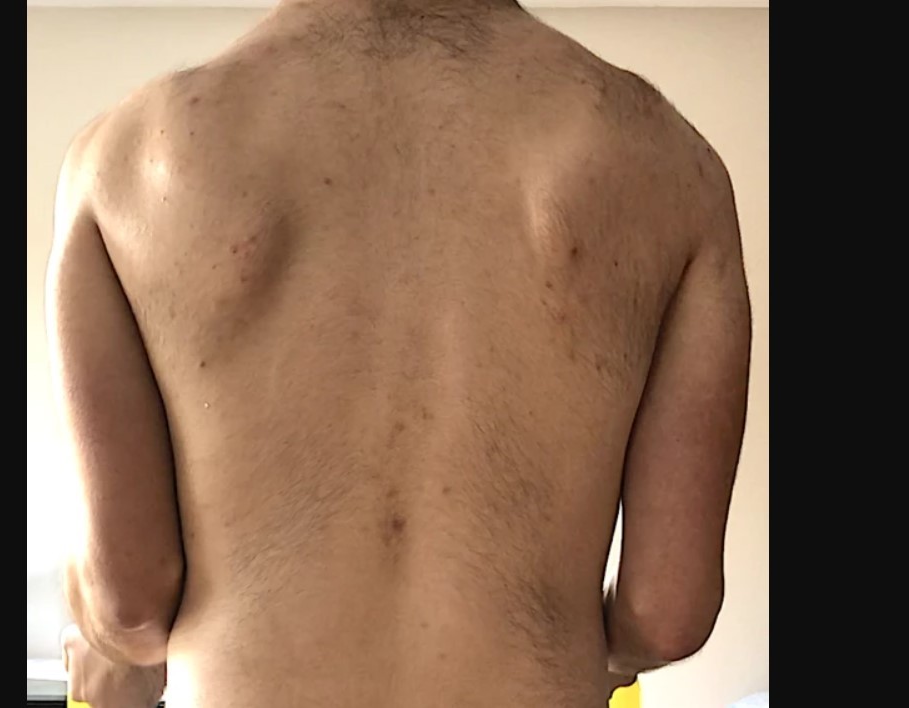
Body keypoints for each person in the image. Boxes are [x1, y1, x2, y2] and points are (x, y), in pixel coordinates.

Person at [48, 1, 752, 706]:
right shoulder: (665, 165)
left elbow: (127, 602)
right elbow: (667, 614)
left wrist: (113, 651)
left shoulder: (128, 160)